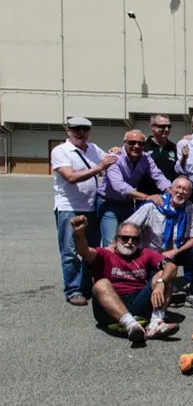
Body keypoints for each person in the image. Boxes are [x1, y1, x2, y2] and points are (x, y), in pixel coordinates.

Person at [71, 216, 179, 342]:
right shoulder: (105, 253)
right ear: (116, 240)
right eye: (124, 238)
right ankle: (131, 325)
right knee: (101, 284)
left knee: (164, 275)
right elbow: (84, 252)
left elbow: (172, 266)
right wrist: (79, 233)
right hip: (110, 306)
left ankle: (155, 323)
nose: (129, 242)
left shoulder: (145, 253)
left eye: (134, 239)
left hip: (138, 301)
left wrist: (161, 283)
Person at [51, 116, 117, 306]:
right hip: (69, 208)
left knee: (91, 251)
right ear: (68, 131)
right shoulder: (61, 151)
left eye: (85, 129)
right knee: (70, 251)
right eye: (76, 129)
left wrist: (115, 150)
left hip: (91, 207)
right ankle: (73, 290)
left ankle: (88, 287)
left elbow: (110, 159)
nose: (81, 132)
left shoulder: (93, 149)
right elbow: (70, 177)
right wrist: (100, 168)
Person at [124, 177, 193, 311]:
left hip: (177, 251)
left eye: (185, 189)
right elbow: (128, 227)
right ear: (171, 189)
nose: (180, 192)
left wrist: (175, 251)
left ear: (190, 194)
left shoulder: (192, 209)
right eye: (178, 188)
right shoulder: (152, 206)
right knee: (156, 292)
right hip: (153, 254)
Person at [97, 130, 171, 246]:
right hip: (109, 203)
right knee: (111, 242)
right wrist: (146, 197)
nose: (136, 146)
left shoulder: (146, 158)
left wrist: (171, 191)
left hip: (128, 203)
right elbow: (119, 186)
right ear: (124, 142)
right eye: (132, 143)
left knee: (128, 240)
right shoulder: (114, 158)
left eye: (140, 143)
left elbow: (158, 175)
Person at [140, 114, 177, 195]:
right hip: (146, 195)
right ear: (153, 127)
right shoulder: (142, 146)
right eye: (162, 126)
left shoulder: (174, 148)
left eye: (168, 126)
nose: (166, 129)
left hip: (167, 195)